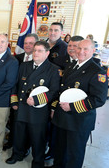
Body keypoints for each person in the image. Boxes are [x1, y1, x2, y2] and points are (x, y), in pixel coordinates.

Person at [52, 39, 107, 168]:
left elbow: (99, 99)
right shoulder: (71, 66)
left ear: (93, 51)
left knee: (74, 154)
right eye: (79, 48)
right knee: (60, 149)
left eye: (85, 49)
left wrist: (72, 106)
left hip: (79, 120)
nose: (81, 52)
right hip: (62, 117)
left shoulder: (98, 72)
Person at [6, 41, 61, 168]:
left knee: (38, 139)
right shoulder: (24, 66)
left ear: (47, 53)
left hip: (38, 111)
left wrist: (36, 100)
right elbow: (15, 85)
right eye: (35, 50)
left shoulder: (54, 69)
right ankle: (17, 154)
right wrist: (14, 101)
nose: (36, 53)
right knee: (19, 135)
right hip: (21, 108)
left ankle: (37, 162)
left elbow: (54, 92)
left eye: (40, 51)